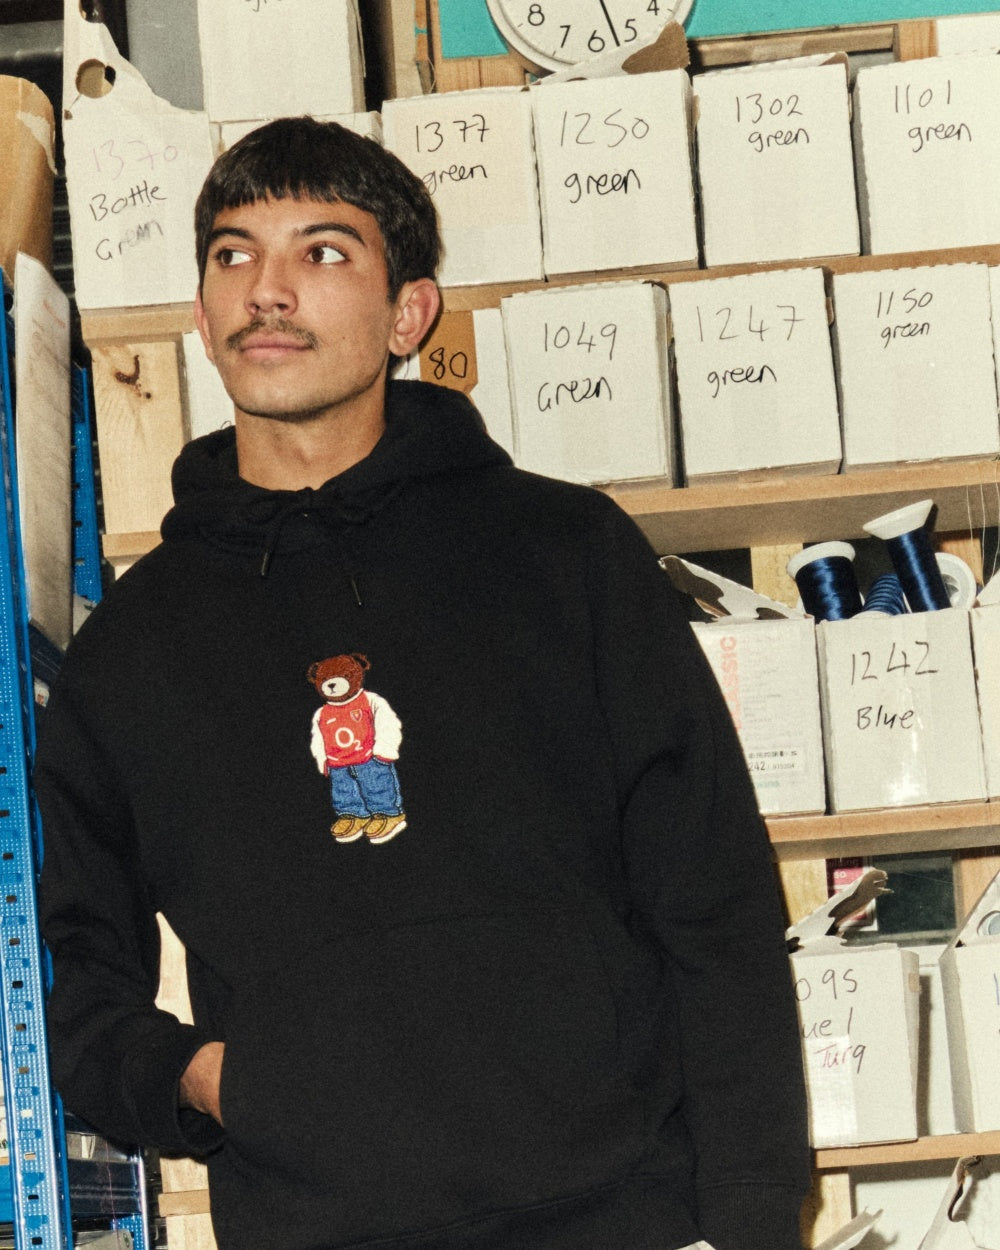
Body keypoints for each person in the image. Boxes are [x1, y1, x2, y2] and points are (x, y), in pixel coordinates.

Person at [36, 117, 810, 1250]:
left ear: (410, 313)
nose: (267, 290)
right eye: (234, 254)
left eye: (324, 251)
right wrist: (206, 1079)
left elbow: (715, 904)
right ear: (201, 315)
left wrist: (752, 1218)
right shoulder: (134, 647)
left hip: (621, 1217)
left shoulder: (566, 554)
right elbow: (74, 972)